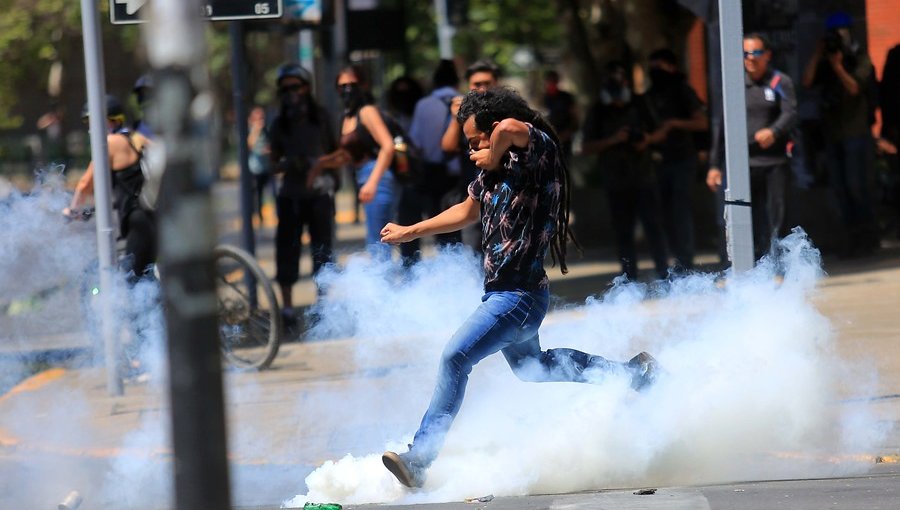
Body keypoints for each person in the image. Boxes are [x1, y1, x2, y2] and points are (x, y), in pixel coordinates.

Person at [379, 87, 660, 489]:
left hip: (518, 296)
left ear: (493, 129)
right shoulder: (492, 170)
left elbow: (512, 127)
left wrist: (493, 152)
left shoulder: (535, 152)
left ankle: (421, 458)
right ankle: (636, 375)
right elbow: (467, 210)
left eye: (476, 140)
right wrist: (412, 231)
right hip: (507, 295)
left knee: (455, 358)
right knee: (535, 368)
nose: (473, 149)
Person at [707, 33, 797, 260]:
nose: (750, 58)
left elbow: (791, 113)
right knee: (748, 217)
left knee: (777, 215)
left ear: (767, 55)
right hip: (744, 164)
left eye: (755, 52)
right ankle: (754, 266)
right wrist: (714, 165)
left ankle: (780, 266)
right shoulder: (735, 84)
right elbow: (723, 126)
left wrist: (774, 131)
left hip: (774, 161)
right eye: (745, 53)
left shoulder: (779, 82)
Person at [268, 63, 347, 318]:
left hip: (319, 195)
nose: (291, 93)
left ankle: (322, 303)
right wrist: (291, 163)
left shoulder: (321, 117)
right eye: (286, 89)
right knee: (286, 251)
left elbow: (338, 152)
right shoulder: (279, 123)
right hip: (291, 196)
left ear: (306, 88)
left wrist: (324, 167)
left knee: (322, 251)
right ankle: (288, 308)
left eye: (296, 87)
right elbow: (272, 162)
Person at [582, 62, 669, 280]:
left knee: (654, 227)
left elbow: (661, 132)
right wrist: (613, 140)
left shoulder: (640, 104)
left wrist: (646, 140)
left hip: (643, 175)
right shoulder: (599, 110)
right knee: (623, 231)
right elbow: (585, 147)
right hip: (615, 178)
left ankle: (663, 271)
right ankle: (629, 276)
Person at [802, 11, 879, 256]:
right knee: (839, 190)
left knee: (857, 187)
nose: (838, 36)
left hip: (856, 133)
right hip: (832, 134)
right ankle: (850, 239)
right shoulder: (824, 59)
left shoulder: (860, 57)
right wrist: (818, 54)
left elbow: (854, 87)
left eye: (841, 31)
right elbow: (806, 82)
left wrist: (838, 65)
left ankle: (868, 237)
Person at [64, 94, 156, 283]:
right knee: (145, 275)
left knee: (133, 281)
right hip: (153, 214)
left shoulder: (110, 143)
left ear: (107, 120)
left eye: (92, 122)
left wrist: (72, 210)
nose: (90, 128)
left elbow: (85, 184)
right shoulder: (135, 137)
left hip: (138, 220)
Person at [645, 48, 709, 272]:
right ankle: (667, 265)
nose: (655, 71)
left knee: (680, 212)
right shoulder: (650, 95)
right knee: (662, 214)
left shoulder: (682, 90)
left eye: (659, 66)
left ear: (671, 67)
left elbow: (701, 123)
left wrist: (673, 124)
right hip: (658, 160)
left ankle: (685, 263)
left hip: (683, 158)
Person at [399, 60, 464, 266]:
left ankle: (431, 273)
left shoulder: (423, 105)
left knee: (435, 222)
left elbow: (415, 142)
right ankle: (455, 271)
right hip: (457, 177)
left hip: (430, 174)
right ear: (456, 81)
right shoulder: (465, 102)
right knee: (455, 229)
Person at [337, 64, 398, 262]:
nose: (347, 90)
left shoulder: (367, 111)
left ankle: (383, 290)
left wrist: (372, 182)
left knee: (379, 243)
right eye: (342, 85)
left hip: (377, 177)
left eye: (352, 84)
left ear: (363, 85)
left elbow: (388, 145)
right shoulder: (348, 116)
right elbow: (346, 154)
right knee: (375, 242)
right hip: (364, 176)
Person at [440, 59, 502, 254]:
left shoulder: (506, 113)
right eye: (477, 84)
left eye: (487, 83)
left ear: (496, 84)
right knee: (472, 251)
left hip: (504, 193)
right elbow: (447, 147)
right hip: (472, 191)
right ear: (468, 86)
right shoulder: (464, 114)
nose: (482, 88)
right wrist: (455, 118)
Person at [542, 69, 579, 161]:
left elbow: (575, 116)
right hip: (549, 138)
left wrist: (568, 133)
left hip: (566, 137)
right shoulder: (544, 98)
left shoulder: (566, 97)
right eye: (549, 81)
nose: (551, 83)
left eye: (554, 81)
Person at [247, 105, 274, 224]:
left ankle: (266, 215)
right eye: (258, 117)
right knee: (255, 194)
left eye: (262, 117)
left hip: (267, 167)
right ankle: (256, 216)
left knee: (269, 193)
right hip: (254, 168)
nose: (261, 120)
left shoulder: (267, 130)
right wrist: (256, 129)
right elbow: (249, 145)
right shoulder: (250, 130)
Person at [132, 74, 154, 139]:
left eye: (147, 92)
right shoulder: (137, 125)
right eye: (141, 93)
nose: (144, 96)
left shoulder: (163, 122)